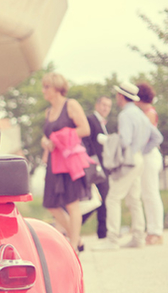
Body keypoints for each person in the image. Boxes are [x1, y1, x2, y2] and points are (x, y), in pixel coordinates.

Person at [94, 82, 163, 251]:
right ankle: (138, 237)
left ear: (120, 96)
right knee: (134, 199)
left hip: (128, 162)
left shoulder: (125, 115)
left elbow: (124, 141)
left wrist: (108, 140)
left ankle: (112, 240)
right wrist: (141, 150)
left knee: (113, 198)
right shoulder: (140, 114)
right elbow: (157, 138)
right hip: (138, 159)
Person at [39, 72, 91, 251]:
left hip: (69, 162)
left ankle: (73, 246)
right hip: (54, 163)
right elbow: (46, 138)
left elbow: (85, 129)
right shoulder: (48, 111)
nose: (43, 90)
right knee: (51, 204)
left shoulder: (70, 105)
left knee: (72, 203)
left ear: (56, 88)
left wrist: (60, 137)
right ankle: (77, 238)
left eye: (46, 87)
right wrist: (46, 142)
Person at [136, 82, 164, 245]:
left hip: (149, 155)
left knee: (151, 193)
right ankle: (152, 229)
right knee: (147, 193)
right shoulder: (146, 112)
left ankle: (157, 231)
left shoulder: (148, 113)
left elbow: (144, 137)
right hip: (148, 155)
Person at [80, 96, 112, 239]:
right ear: (97, 105)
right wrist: (92, 163)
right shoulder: (91, 120)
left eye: (109, 106)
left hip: (103, 166)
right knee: (101, 199)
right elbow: (86, 143)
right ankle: (102, 233)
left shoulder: (104, 124)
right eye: (104, 105)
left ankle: (73, 224)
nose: (106, 108)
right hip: (95, 166)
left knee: (99, 200)